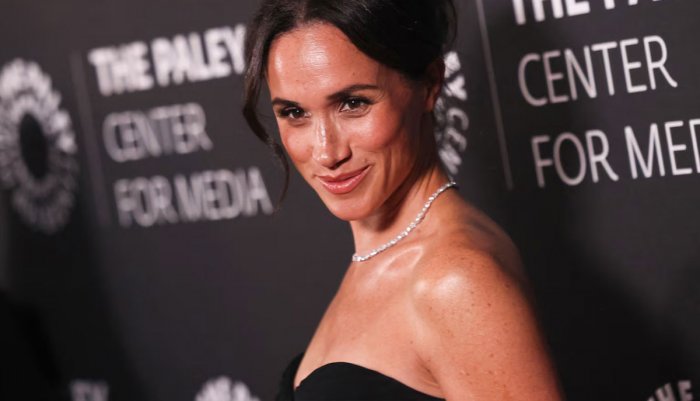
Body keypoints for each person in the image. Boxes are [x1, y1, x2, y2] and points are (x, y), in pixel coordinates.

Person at [243, 0, 564, 399]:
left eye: (353, 104)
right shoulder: (381, 256)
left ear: (429, 85)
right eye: (295, 112)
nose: (326, 152)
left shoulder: (454, 281)